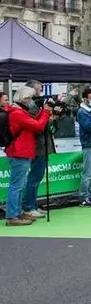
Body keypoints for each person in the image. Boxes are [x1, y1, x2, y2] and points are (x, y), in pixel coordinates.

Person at [4, 86, 52, 225]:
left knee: (19, 184)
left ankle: (18, 213)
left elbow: (32, 121)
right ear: (24, 99)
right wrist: (46, 113)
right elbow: (37, 126)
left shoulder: (17, 111)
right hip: (20, 151)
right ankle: (13, 216)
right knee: (17, 186)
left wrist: (43, 112)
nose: (31, 101)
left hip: (20, 151)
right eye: (29, 98)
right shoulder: (17, 113)